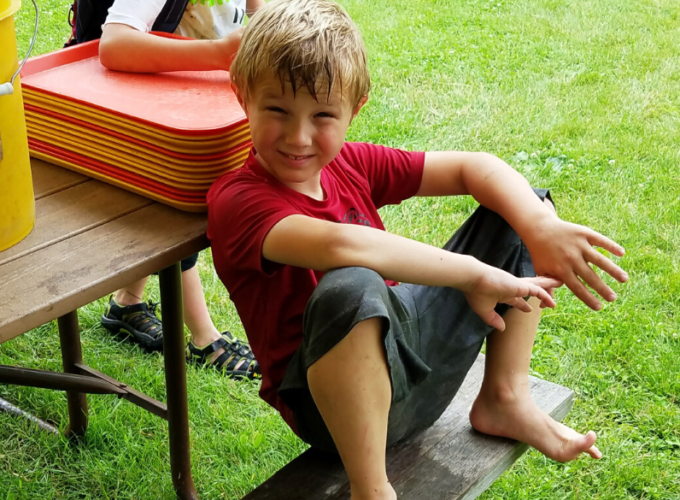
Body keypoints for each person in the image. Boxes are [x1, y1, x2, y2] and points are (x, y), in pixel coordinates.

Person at [207, 0, 629, 498]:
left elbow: (474, 167)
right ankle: (373, 489)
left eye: (322, 115)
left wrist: (540, 224)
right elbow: (344, 243)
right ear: (243, 96)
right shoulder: (237, 201)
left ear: (355, 108)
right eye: (277, 110)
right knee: (352, 286)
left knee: (518, 207)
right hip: (335, 417)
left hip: (410, 372)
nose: (299, 136)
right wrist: (472, 275)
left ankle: (505, 396)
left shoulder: (351, 165)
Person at [96, 0, 264, 380]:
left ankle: (126, 303)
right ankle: (205, 339)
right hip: (148, 120)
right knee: (176, 216)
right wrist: (219, 54)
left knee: (178, 207)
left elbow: (258, 9)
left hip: (198, 112)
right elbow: (113, 45)